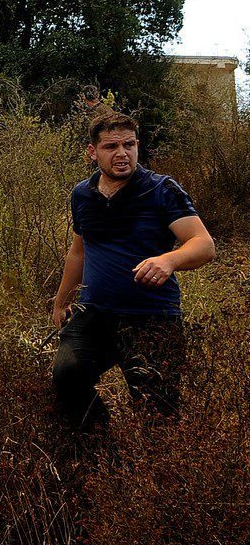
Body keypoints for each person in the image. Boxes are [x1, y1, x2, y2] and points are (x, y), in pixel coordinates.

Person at [51, 111, 215, 430]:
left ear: (138, 146)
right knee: (67, 375)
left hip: (153, 316)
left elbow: (203, 244)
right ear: (92, 151)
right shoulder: (82, 195)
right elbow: (78, 252)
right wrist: (61, 301)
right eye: (111, 146)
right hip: (95, 314)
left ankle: (150, 470)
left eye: (129, 144)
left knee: (157, 413)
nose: (122, 153)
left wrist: (168, 260)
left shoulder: (161, 189)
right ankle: (102, 451)